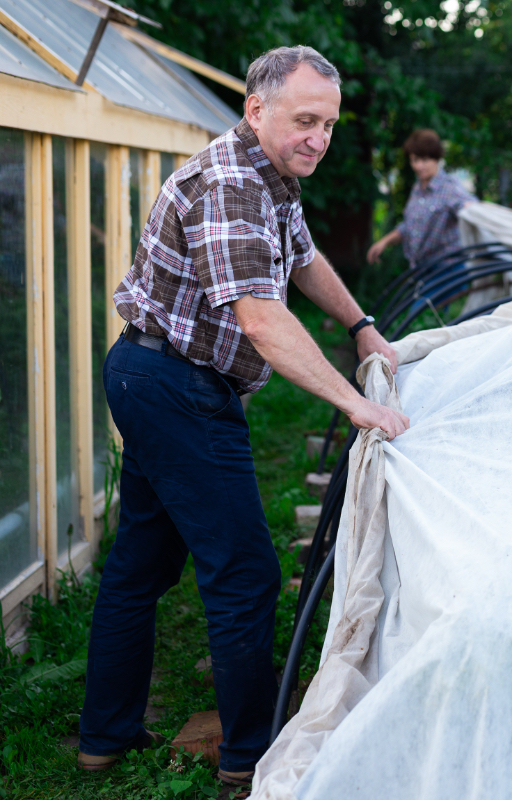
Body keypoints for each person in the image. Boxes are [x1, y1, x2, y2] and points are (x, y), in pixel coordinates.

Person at [76, 46, 409, 785]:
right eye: (304, 120)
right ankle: (251, 761)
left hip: (157, 373)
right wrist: (356, 404)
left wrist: (362, 327)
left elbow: (302, 259)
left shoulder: (273, 175)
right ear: (257, 109)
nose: (318, 137)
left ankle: (104, 737)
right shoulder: (231, 185)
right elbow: (259, 319)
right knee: (248, 574)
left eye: (328, 124)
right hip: (175, 384)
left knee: (144, 562)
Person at [366, 129, 477, 268]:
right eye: (415, 160)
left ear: (436, 158)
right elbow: (409, 226)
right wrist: (385, 242)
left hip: (448, 272)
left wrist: (470, 208)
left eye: (425, 160)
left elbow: (470, 208)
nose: (419, 166)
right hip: (422, 270)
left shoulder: (450, 188)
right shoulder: (418, 189)